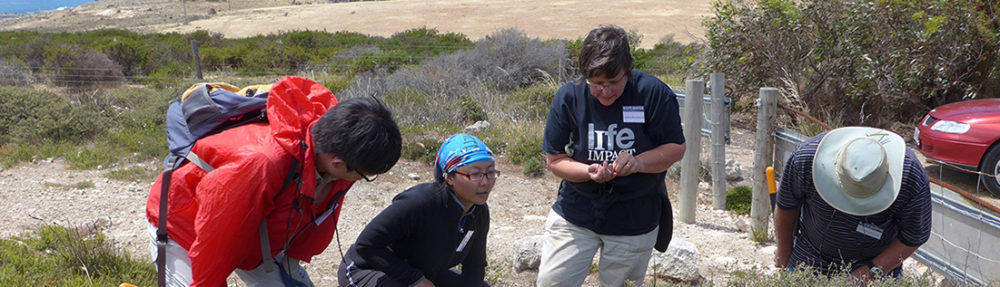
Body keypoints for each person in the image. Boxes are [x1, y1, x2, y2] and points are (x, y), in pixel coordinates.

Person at [145, 77, 402, 287]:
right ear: (336, 161)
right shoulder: (262, 163)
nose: (362, 179)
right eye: (364, 174)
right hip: (183, 223)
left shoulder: (341, 155)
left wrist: (291, 264)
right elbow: (216, 238)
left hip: (256, 234)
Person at [537, 24, 686, 287]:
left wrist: (638, 162)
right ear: (585, 77)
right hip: (577, 212)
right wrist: (588, 172)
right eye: (597, 85)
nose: (606, 92)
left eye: (614, 83)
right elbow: (555, 160)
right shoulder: (569, 97)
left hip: (634, 216)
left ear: (627, 70)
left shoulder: (652, 93)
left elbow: (676, 148)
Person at [773, 127, 931, 282]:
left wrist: (873, 271)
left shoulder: (911, 177)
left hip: (876, 267)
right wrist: (784, 250)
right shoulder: (807, 158)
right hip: (809, 258)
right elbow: (787, 205)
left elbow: (914, 235)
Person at [338, 133, 496, 287]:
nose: (485, 182)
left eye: (490, 172)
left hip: (423, 271)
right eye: (475, 174)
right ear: (449, 177)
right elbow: (367, 244)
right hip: (366, 269)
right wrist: (414, 279)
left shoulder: (478, 212)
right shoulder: (420, 203)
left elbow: (474, 266)